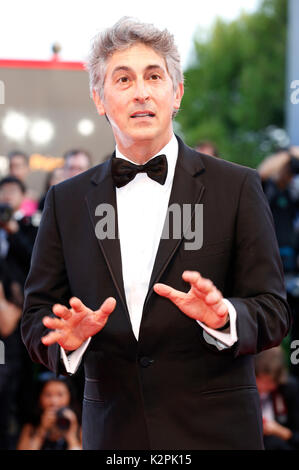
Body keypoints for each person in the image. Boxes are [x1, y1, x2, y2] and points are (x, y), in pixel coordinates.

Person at [21, 17, 291, 450]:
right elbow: (36, 318)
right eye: (123, 79)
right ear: (99, 98)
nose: (141, 92)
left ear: (177, 92)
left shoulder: (236, 187)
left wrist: (225, 317)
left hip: (217, 435)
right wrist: (65, 340)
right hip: (114, 436)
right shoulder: (66, 201)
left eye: (154, 76)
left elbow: (274, 310)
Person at [0, 176, 38, 448]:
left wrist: (13, 230)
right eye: (2, 192)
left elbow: (35, 262)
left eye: (12, 192)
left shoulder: (28, 227)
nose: (6, 197)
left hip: (21, 320)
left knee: (19, 386)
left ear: (23, 196)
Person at [17, 375, 82, 450]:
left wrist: (71, 436)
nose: (54, 402)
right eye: (48, 395)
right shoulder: (30, 428)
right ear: (39, 399)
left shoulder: (78, 428)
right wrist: (41, 431)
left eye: (60, 395)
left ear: (70, 397)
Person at [255, 347, 299, 450]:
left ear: (278, 381)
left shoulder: (289, 389)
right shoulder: (243, 389)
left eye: (269, 382)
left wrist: (280, 431)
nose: (263, 386)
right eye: (259, 380)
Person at [7, 151, 38, 216]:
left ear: (27, 169)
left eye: (18, 167)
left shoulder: (32, 199)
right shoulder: (3, 196)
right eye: (11, 166)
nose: (14, 171)